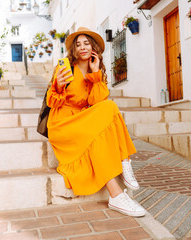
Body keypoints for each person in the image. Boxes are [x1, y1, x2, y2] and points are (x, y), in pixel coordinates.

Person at [46, 27, 146, 217]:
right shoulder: (65, 68)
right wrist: (58, 85)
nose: (82, 47)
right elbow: (52, 102)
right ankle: (124, 162)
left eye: (86, 43)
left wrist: (94, 73)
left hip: (83, 120)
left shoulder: (95, 71)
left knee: (108, 109)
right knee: (107, 112)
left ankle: (117, 193)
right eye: (78, 44)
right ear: (73, 50)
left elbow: (96, 102)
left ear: (93, 48)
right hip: (63, 123)